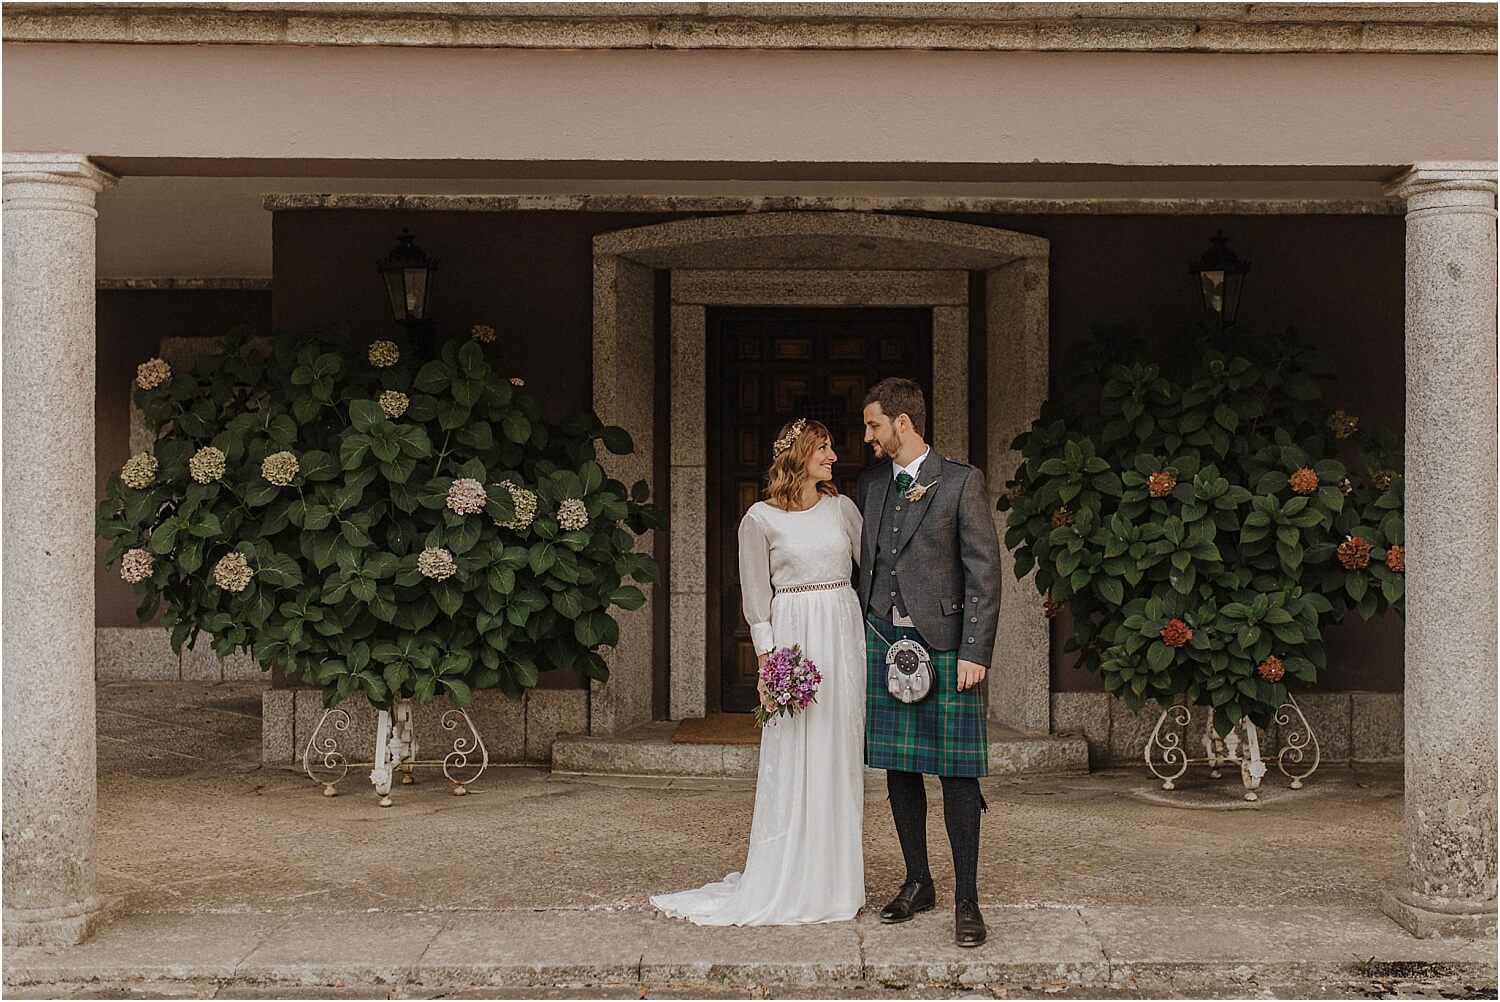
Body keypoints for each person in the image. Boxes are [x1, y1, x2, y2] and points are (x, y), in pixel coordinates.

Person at [650, 418, 867, 925]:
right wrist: (768, 659)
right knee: (795, 750)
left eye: (832, 448)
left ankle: (837, 881)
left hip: (842, 630)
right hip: (794, 633)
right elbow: (756, 593)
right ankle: (790, 874)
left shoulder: (843, 509)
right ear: (798, 457)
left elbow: (873, 570)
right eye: (823, 448)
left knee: (838, 749)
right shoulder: (760, 519)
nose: (833, 456)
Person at [856, 377, 1002, 948]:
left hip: (945, 646)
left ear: (903, 423)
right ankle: (919, 881)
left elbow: (984, 573)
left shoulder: (961, 483)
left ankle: (967, 899)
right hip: (883, 642)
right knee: (899, 769)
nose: (866, 436)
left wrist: (975, 651)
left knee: (959, 776)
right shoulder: (871, 487)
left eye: (872, 425)